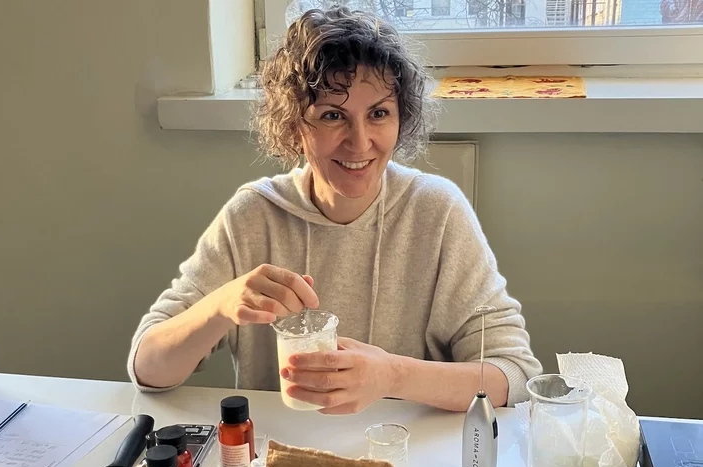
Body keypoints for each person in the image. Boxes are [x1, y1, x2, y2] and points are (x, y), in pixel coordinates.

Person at [128, 7, 542, 414]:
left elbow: (514, 375)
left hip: (404, 450)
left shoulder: (438, 212)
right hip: (280, 450)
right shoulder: (252, 216)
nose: (359, 143)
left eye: (378, 114)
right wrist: (221, 305)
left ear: (401, 119)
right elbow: (148, 368)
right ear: (294, 127)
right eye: (332, 116)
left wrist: (392, 376)